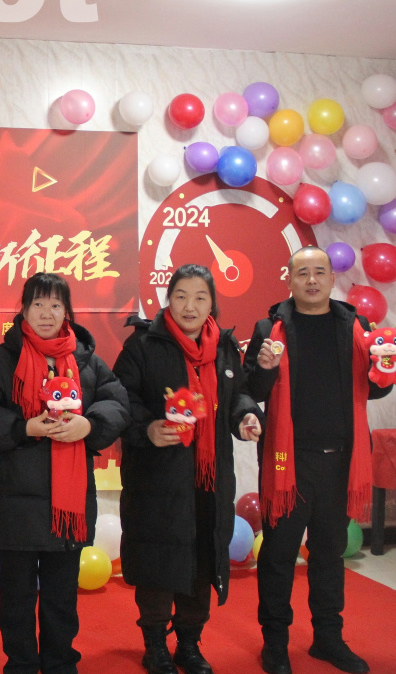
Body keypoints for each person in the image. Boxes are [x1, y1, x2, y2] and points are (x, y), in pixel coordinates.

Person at [0, 272, 130, 674]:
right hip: (15, 502)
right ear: (23, 310)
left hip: (67, 508)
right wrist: (24, 428)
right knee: (16, 597)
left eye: (55, 304)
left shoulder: (87, 361)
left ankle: (59, 663)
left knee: (61, 596)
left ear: (67, 311)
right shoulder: (1, 361)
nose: (47, 313)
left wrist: (89, 425)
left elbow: (118, 403)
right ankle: (20, 664)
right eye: (38, 304)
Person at [244, 246, 392, 674]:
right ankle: (275, 643)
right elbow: (252, 389)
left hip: (342, 461)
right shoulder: (269, 327)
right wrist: (265, 368)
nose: (311, 280)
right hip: (286, 462)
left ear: (332, 279)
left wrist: (386, 371)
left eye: (319, 272)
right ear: (289, 279)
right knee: (278, 555)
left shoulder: (355, 326)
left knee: (329, 555)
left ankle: (328, 638)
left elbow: (374, 390)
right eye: (303, 272)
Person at [113, 264, 263, 674]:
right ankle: (155, 646)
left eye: (200, 297)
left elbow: (238, 394)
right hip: (157, 478)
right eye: (181, 296)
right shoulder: (143, 345)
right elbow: (120, 399)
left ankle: (190, 644)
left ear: (212, 303)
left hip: (209, 480)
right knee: (159, 562)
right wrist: (148, 428)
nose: (190, 306)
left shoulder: (225, 347)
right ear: (168, 300)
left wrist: (245, 416)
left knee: (202, 560)